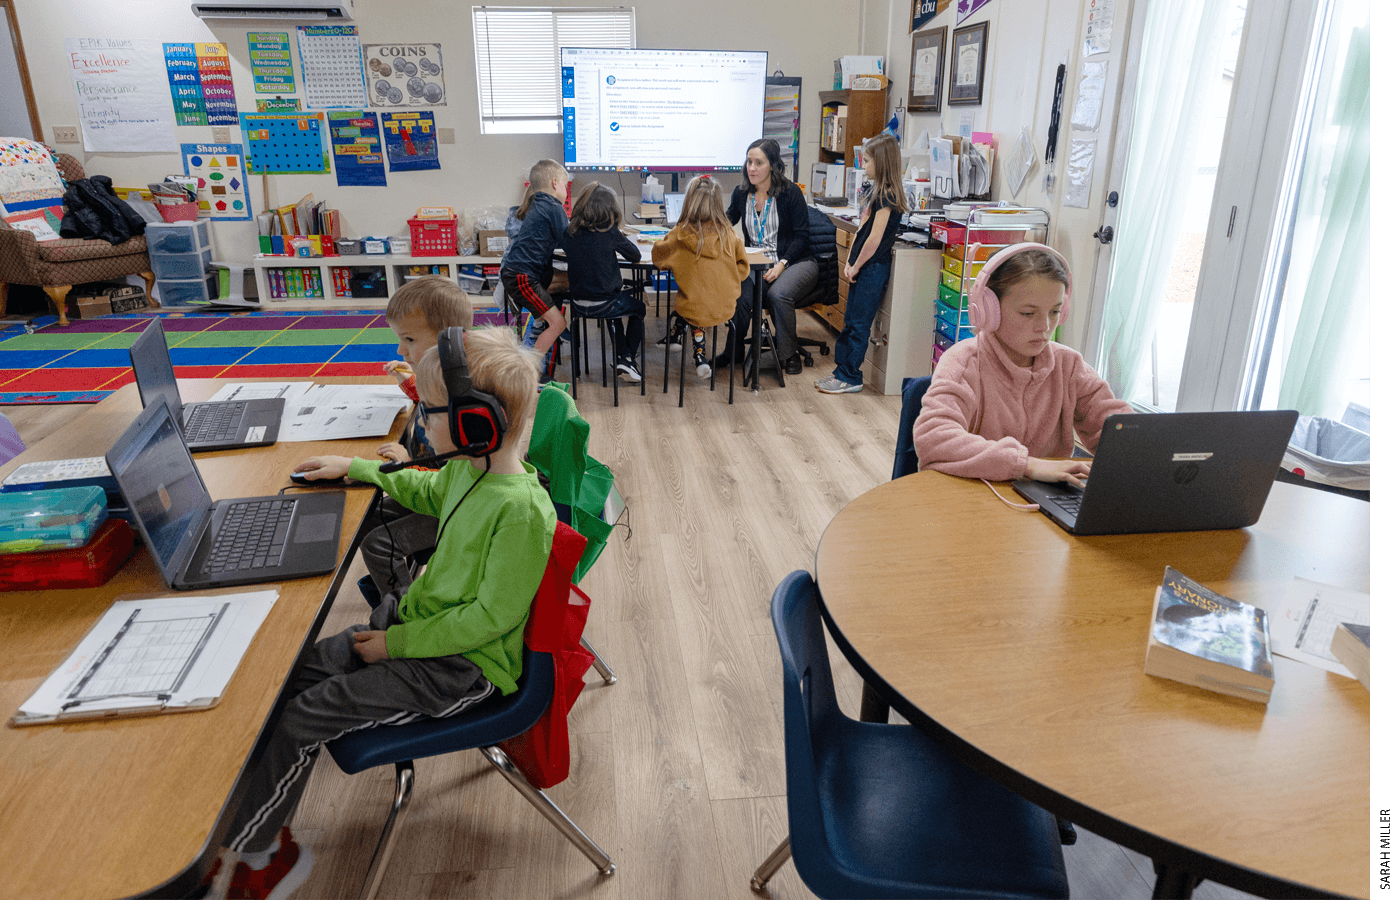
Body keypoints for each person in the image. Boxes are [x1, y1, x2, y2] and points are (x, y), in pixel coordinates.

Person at [208, 327, 554, 900]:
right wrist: (360, 467)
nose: (421, 420)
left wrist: (394, 646)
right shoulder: (470, 470)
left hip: (458, 670)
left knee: (300, 719)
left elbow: (486, 621)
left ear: (475, 423)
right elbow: (428, 493)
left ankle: (259, 854)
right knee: (285, 682)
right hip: (413, 633)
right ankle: (254, 808)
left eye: (430, 410)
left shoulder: (521, 514)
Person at [912, 243, 1132, 488]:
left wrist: (1147, 448)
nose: (1045, 326)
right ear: (988, 310)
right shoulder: (964, 362)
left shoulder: (1069, 366)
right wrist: (1026, 464)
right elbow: (933, 437)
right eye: (1028, 313)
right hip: (973, 498)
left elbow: (1118, 429)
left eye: (1055, 311)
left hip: (1043, 506)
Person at [359, 275, 475, 605]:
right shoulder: (445, 377)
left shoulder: (463, 401)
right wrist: (407, 381)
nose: (400, 349)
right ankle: (399, 592)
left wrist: (407, 465)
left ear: (450, 339)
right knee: (369, 514)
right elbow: (426, 400)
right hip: (435, 487)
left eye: (409, 338)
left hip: (456, 503)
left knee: (378, 544)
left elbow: (456, 479)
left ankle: (406, 613)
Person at [815, 133, 907, 395]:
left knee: (858, 324)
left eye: (866, 161)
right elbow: (861, 231)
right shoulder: (874, 193)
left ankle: (850, 376)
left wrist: (856, 265)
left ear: (881, 162)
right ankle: (841, 371)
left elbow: (875, 240)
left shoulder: (887, 197)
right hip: (862, 266)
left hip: (872, 269)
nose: (862, 165)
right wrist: (851, 261)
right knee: (850, 321)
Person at [719, 137, 818, 375]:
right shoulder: (742, 193)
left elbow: (802, 237)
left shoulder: (790, 193)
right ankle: (733, 351)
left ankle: (788, 353)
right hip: (757, 264)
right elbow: (726, 220)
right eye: (749, 162)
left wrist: (782, 264)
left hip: (795, 261)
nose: (751, 168)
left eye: (758, 163)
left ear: (772, 165)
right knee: (741, 296)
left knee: (778, 294)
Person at [652, 176, 751, 378]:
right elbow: (743, 268)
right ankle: (681, 340)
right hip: (725, 306)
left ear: (688, 202)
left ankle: (680, 338)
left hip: (694, 306)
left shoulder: (679, 235)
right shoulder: (730, 235)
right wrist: (725, 279)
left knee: (690, 299)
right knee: (697, 298)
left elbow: (658, 258)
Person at [560, 182, 645, 382]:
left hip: (578, 303)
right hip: (607, 303)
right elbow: (635, 256)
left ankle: (624, 358)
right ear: (610, 209)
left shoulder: (569, 233)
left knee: (612, 308)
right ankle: (627, 358)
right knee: (638, 308)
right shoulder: (609, 233)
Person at [501, 159, 570, 378]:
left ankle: (533, 356)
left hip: (518, 274)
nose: (567, 191)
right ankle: (528, 371)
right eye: (566, 185)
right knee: (558, 323)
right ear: (554, 183)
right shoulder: (553, 207)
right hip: (522, 277)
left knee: (553, 317)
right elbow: (569, 242)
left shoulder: (539, 204)